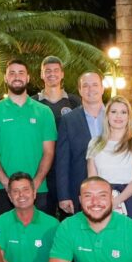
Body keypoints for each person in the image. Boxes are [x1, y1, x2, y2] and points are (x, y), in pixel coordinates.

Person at [0, 59, 57, 219]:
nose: (16, 77)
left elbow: (49, 152)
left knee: (39, 240)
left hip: (38, 189)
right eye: (12, 73)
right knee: (1, 241)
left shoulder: (44, 112)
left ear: (28, 78)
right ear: (5, 78)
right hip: (1, 189)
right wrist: (5, 183)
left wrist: (36, 182)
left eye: (21, 73)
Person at [86, 96, 132, 225]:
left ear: (129, 117)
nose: (118, 116)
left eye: (123, 112)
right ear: (107, 115)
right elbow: (92, 178)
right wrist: (104, 199)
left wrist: (116, 201)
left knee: (131, 242)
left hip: (130, 199)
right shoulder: (95, 143)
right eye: (113, 112)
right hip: (101, 200)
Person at [36, 56, 81, 215]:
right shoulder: (33, 103)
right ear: (41, 74)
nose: (51, 74)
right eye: (47, 71)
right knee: (42, 219)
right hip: (41, 174)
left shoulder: (75, 102)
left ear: (62, 74)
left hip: (69, 173)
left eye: (56, 70)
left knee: (69, 221)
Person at [55, 72, 104, 217]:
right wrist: (63, 195)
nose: (90, 89)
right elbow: (62, 161)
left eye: (95, 85)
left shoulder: (115, 116)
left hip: (113, 189)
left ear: (102, 88)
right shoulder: (68, 120)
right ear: (80, 90)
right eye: (85, 86)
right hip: (79, 191)